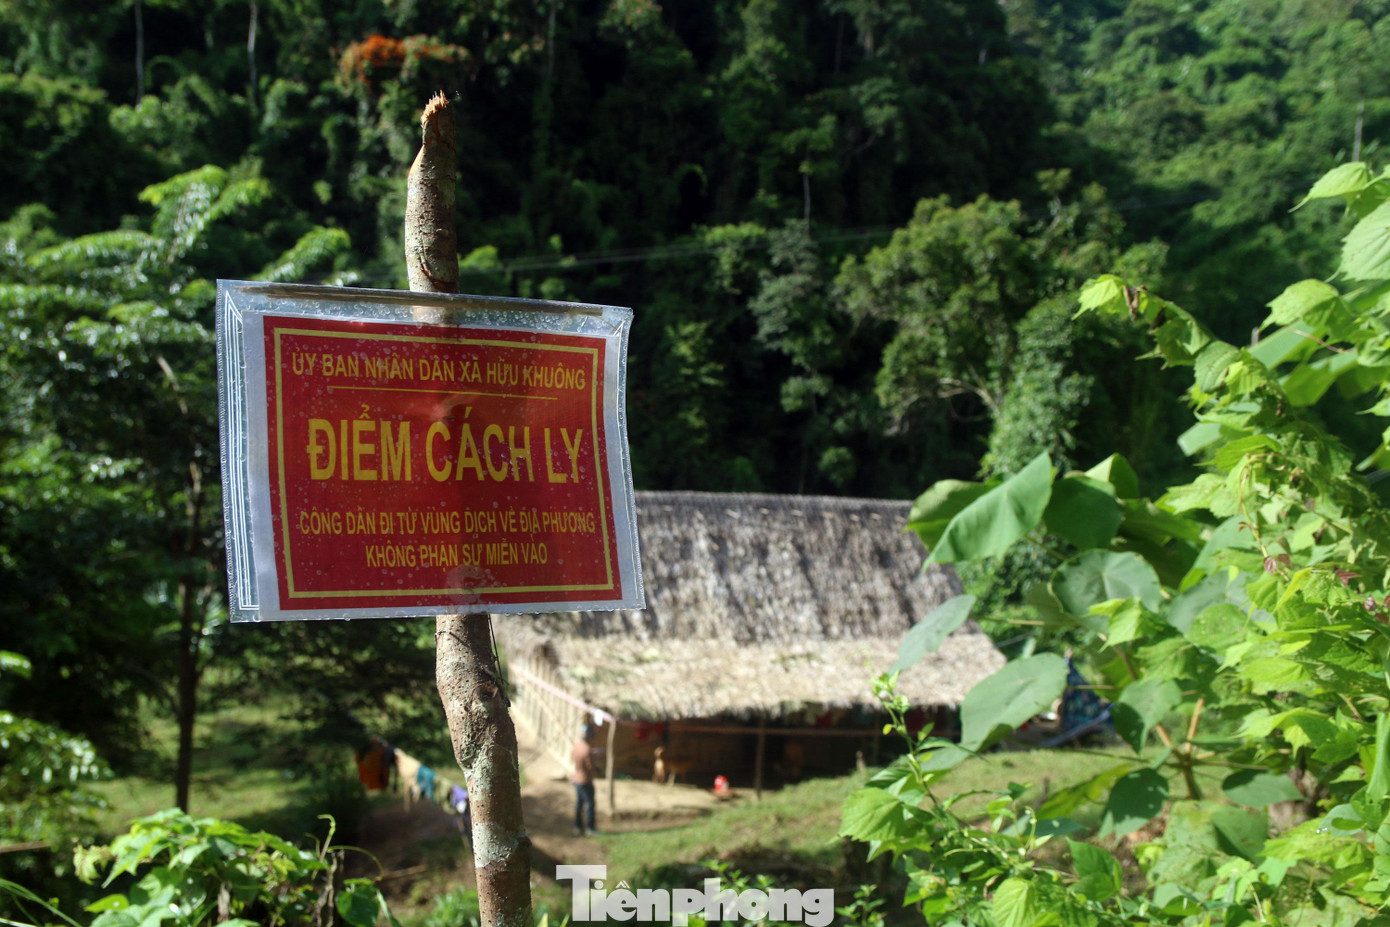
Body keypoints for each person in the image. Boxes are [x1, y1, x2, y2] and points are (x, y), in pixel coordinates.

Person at [572, 722, 598, 836]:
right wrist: (594, 758)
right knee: (590, 804)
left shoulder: (577, 745)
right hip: (585, 780)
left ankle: (578, 827)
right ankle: (590, 828)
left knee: (579, 804)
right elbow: (590, 766)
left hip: (577, 778)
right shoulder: (587, 749)